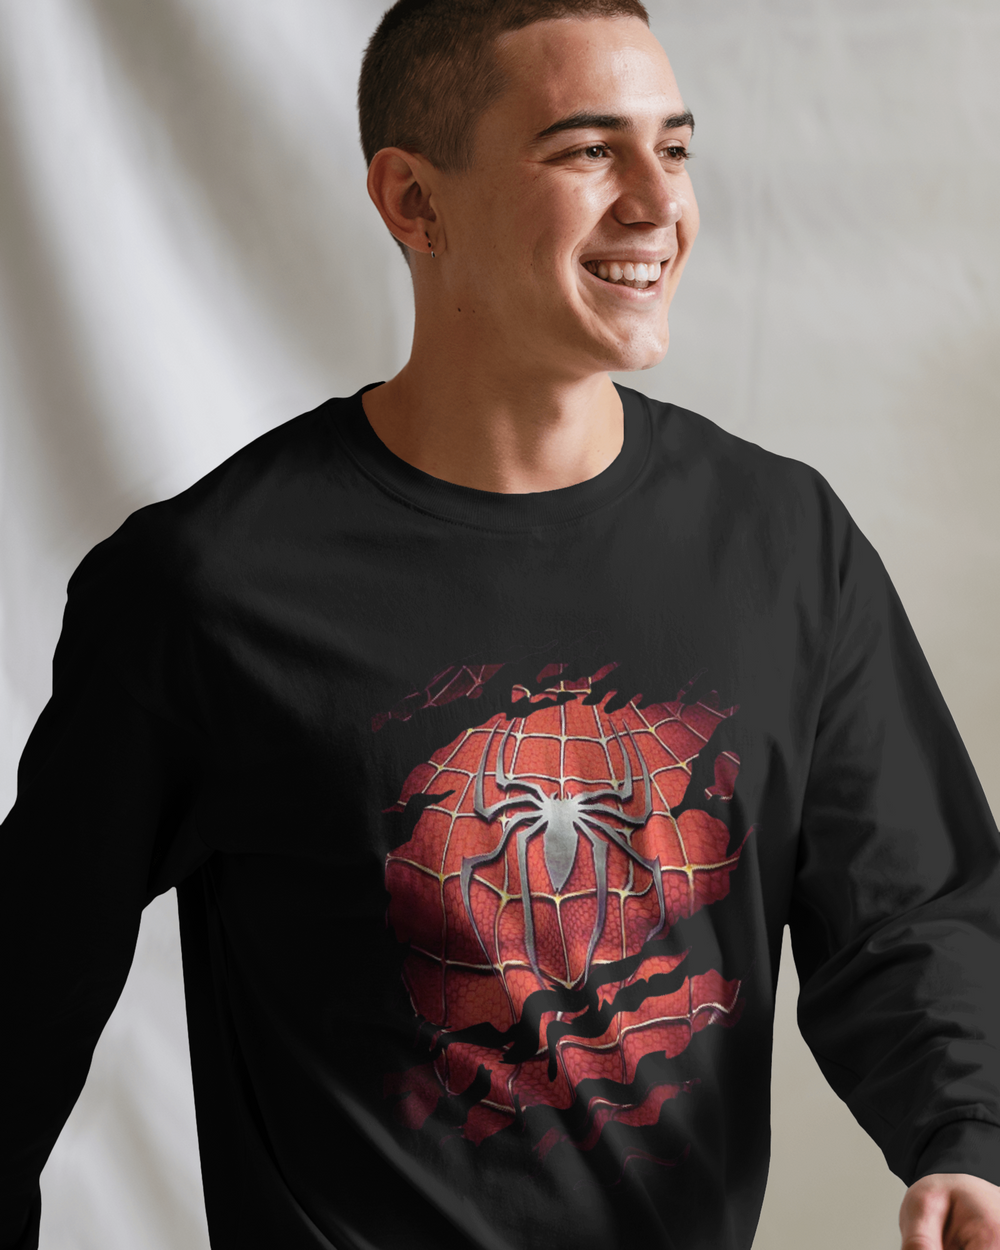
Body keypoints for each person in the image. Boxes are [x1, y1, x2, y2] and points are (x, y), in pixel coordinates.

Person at [1, 1, 999, 1247]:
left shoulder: (784, 546)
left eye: (673, 148)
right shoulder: (207, 585)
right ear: (414, 201)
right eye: (586, 150)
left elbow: (911, 910)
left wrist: (968, 1138)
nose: (658, 201)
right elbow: (23, 999)